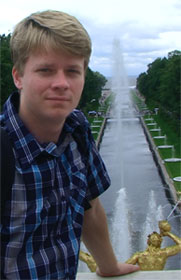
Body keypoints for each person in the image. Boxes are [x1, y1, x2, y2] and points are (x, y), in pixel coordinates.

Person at [0, 10, 139, 280]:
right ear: (18, 77)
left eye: (72, 71)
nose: (62, 83)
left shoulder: (77, 130)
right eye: (46, 70)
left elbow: (91, 208)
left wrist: (109, 266)